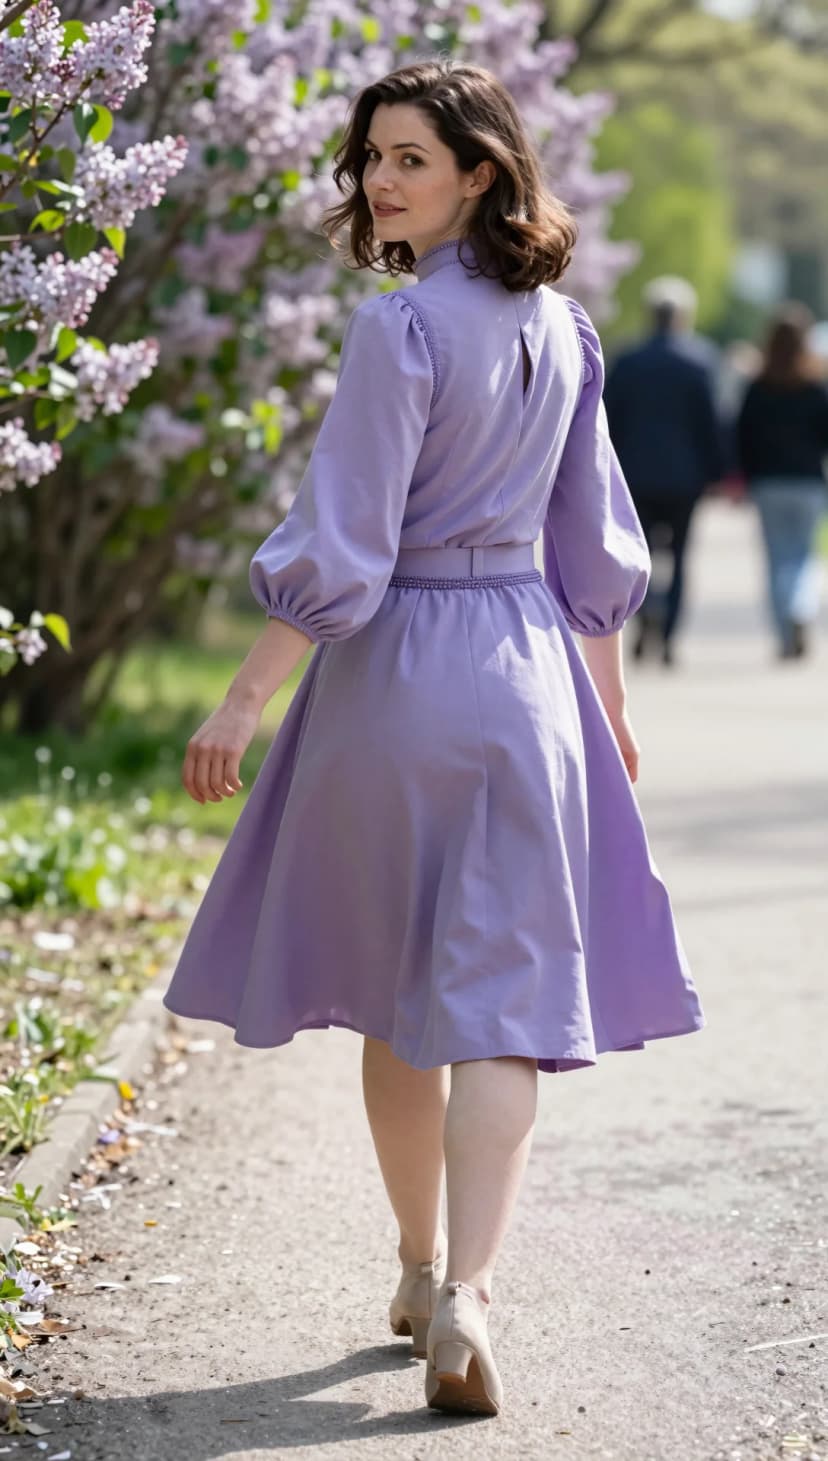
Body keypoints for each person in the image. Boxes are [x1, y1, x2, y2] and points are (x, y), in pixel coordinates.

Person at [161, 60, 704, 1418]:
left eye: (409, 157)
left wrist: (244, 697)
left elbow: (344, 542)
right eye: (370, 158)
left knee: (400, 995)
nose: (379, 180)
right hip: (528, 682)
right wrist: (610, 710)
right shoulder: (567, 333)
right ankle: (466, 1290)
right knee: (504, 1002)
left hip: (395, 676)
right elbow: (594, 551)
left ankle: (416, 1267)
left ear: (480, 172)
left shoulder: (397, 328)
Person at [603, 276, 724, 665]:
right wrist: (719, 472)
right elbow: (712, 423)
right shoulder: (700, 361)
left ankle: (646, 614)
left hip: (635, 474)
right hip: (686, 477)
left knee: (639, 555)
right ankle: (669, 634)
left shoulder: (628, 362)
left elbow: (606, 419)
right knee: (681, 555)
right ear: (683, 316)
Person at [736, 301, 828, 660]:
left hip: (768, 482)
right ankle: (800, 609)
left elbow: (743, 434)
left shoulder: (759, 386)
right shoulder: (815, 387)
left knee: (777, 557)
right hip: (807, 481)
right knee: (803, 555)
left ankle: (784, 631)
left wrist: (742, 475)